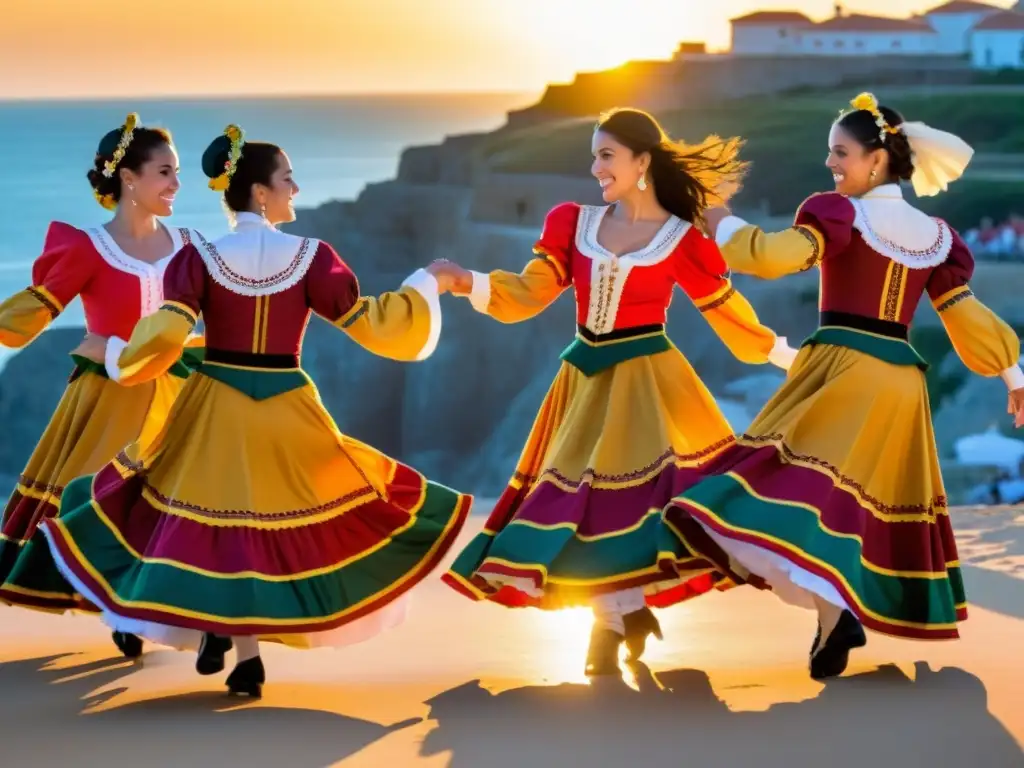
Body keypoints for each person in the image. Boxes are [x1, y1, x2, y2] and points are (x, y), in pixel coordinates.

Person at [41, 125, 471, 698]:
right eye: (287, 178)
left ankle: (231, 639)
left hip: (214, 404)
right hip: (287, 405)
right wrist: (427, 283)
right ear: (261, 193)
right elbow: (372, 322)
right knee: (269, 526)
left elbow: (165, 337)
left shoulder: (197, 259)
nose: (295, 187)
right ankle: (242, 649)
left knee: (212, 523)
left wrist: (115, 353)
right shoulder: (314, 258)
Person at [662, 92, 1024, 680]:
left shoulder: (837, 213)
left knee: (779, 487)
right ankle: (834, 619)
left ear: (877, 159)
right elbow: (966, 315)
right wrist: (1014, 374)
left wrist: (720, 218)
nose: (831, 164)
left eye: (841, 153)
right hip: (901, 384)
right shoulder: (937, 236)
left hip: (843, 367)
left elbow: (775, 258)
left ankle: (832, 614)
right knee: (852, 509)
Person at [432, 107, 795, 677]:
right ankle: (623, 616)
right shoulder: (571, 222)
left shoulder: (682, 238)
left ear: (642, 162)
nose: (595, 166)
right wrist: (466, 282)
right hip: (582, 380)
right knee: (579, 508)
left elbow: (726, 314)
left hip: (649, 384)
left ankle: (612, 629)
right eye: (595, 154)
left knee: (628, 508)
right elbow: (530, 292)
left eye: (606, 155)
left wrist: (786, 358)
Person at [0, 113, 203, 659]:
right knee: (108, 503)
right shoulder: (87, 248)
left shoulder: (190, 243)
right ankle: (122, 608)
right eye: (165, 172)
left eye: (177, 172)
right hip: (110, 397)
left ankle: (170, 609)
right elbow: (31, 311)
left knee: (185, 501)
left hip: (180, 391)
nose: (176, 185)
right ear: (129, 179)